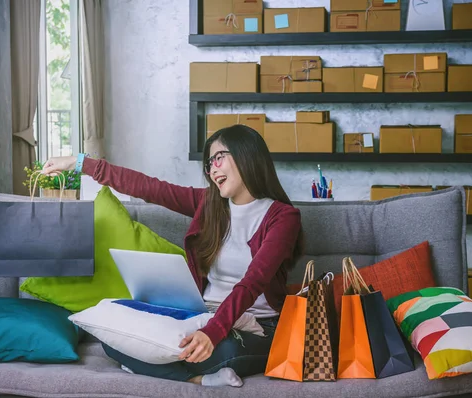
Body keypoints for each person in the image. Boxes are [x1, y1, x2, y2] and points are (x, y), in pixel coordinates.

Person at [42, 124, 303, 387]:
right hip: (199, 317)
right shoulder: (209, 204)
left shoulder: (282, 218)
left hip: (256, 327)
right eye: (208, 164)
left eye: (218, 158)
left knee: (225, 352)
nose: (212, 170)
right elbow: (149, 188)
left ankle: (175, 369)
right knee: (115, 340)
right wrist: (79, 163)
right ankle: (201, 379)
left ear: (246, 154)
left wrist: (211, 334)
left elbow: (253, 281)